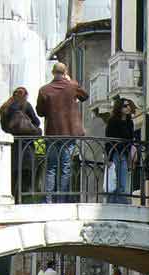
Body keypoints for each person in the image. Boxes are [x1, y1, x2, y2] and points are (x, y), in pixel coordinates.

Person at [36, 63, 88, 203]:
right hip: (69, 134)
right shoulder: (72, 86)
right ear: (65, 72)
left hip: (52, 133)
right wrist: (70, 81)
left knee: (51, 167)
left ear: (53, 73)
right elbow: (85, 96)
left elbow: (40, 112)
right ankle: (62, 199)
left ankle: (48, 200)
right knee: (66, 167)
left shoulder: (44, 90)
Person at [105, 98, 136, 204]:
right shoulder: (113, 121)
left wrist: (131, 155)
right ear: (119, 108)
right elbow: (108, 141)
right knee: (116, 179)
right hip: (116, 154)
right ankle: (116, 202)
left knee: (122, 179)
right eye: (125, 106)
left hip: (125, 154)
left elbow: (131, 139)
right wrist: (108, 159)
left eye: (128, 106)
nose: (128, 108)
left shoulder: (130, 122)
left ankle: (119, 201)